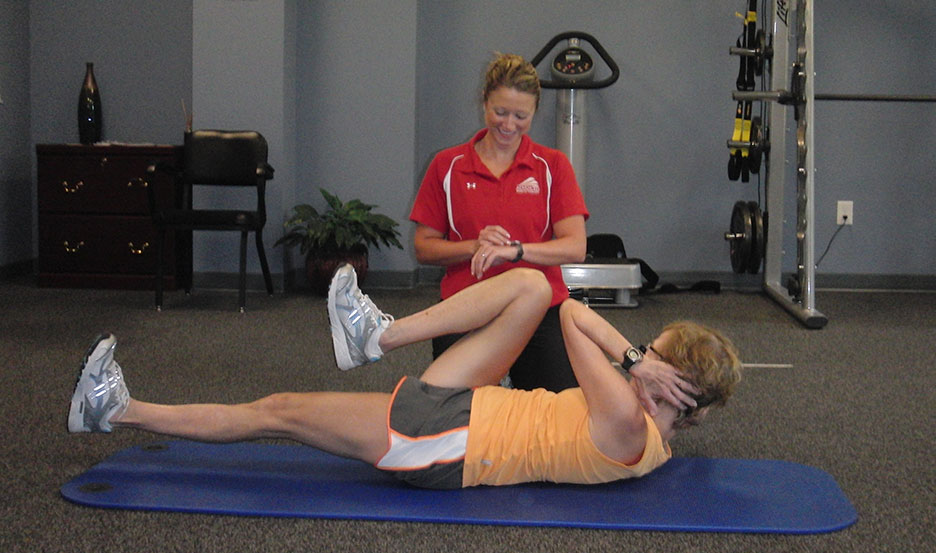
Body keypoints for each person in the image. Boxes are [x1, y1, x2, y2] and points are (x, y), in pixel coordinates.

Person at [68, 266, 741, 490]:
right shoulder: (647, 417)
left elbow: (573, 318)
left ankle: (117, 409)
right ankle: (378, 336)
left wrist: (632, 359)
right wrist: (641, 362)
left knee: (277, 409)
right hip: (474, 405)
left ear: (672, 387)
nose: (641, 355)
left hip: (447, 440)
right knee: (531, 283)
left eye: (657, 357)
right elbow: (557, 299)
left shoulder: (629, 422)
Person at [410, 52, 589, 393]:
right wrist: (475, 246)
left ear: (534, 112)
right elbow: (424, 247)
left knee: (558, 414)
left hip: (540, 307)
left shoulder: (553, 166)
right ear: (484, 103)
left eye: (521, 116)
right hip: (467, 304)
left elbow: (575, 246)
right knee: (454, 415)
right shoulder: (446, 165)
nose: (509, 125)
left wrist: (515, 251)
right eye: (500, 112)